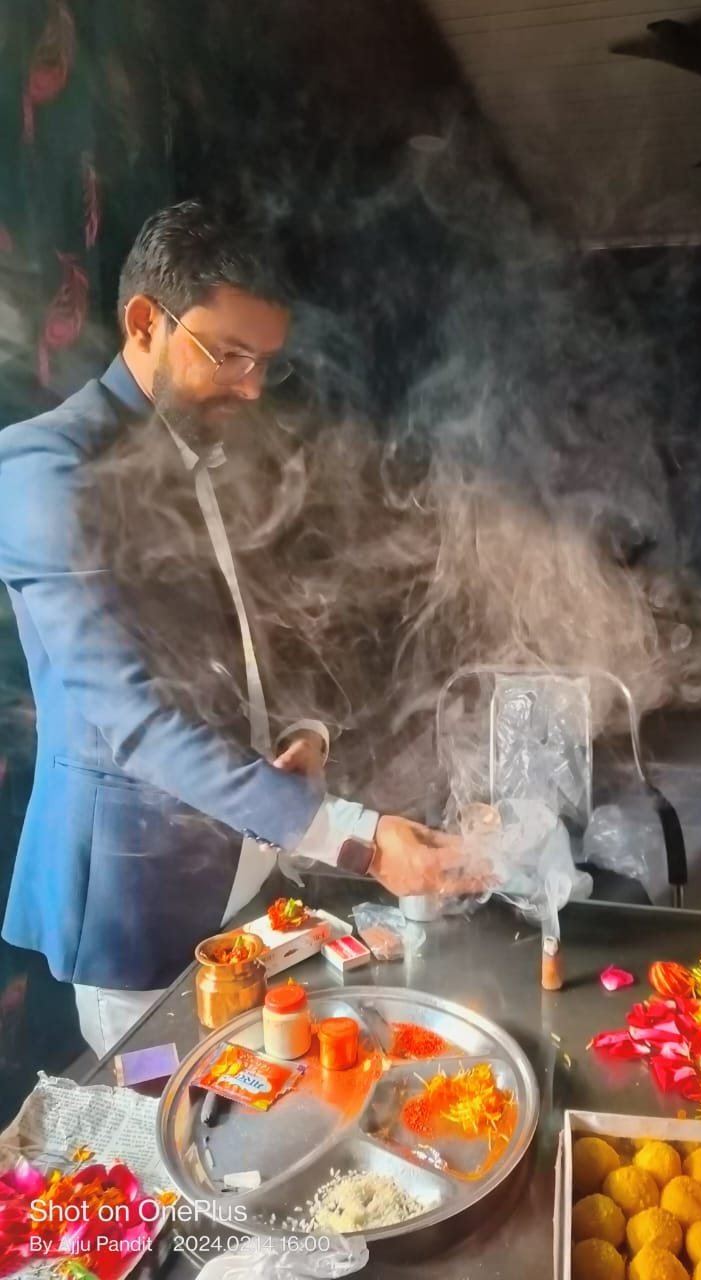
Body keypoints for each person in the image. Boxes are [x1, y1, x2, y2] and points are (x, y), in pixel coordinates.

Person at [0, 200, 475, 1057]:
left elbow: (260, 636)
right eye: (228, 354)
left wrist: (305, 728)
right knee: (167, 1117)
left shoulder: (213, 447)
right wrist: (362, 842)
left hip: (253, 876)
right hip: (139, 898)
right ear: (144, 322)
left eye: (265, 361)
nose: (252, 387)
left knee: (256, 1111)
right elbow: (135, 720)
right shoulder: (45, 469)